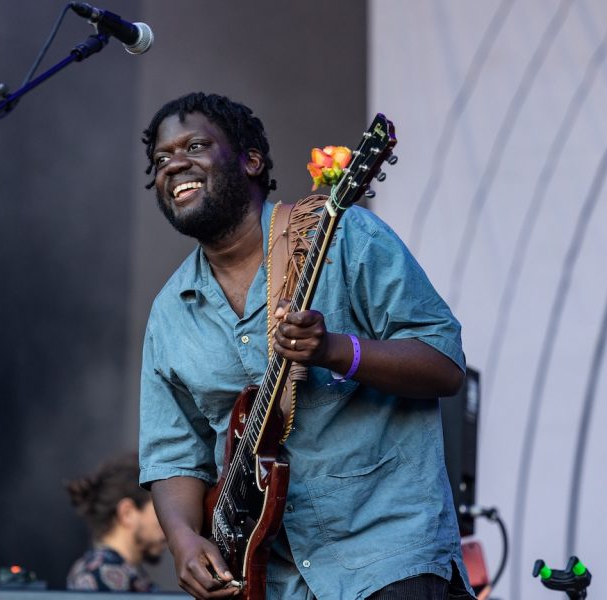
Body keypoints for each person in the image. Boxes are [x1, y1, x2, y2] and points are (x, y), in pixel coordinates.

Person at [137, 92, 474, 599]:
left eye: (196, 145)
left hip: (387, 559)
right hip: (269, 580)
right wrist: (184, 539)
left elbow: (444, 364)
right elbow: (173, 456)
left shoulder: (343, 235)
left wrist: (336, 351)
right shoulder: (169, 314)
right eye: (161, 159)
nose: (174, 164)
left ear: (251, 160)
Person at [65, 452, 168, 592]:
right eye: (160, 510)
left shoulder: (120, 573)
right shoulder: (99, 577)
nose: (168, 523)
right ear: (127, 513)